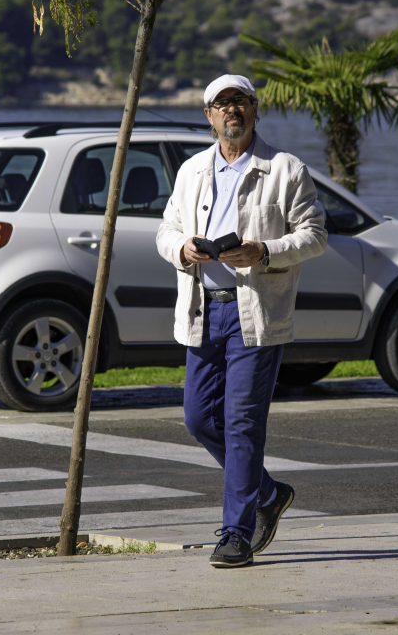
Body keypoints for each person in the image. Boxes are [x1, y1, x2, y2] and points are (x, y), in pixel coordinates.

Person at [156, 74, 328, 568]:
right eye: (221, 104)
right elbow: (166, 230)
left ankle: (236, 532)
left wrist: (265, 251)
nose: (231, 111)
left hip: (255, 310)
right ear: (208, 116)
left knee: (242, 421)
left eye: (240, 102)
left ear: (255, 110)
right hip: (202, 309)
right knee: (198, 418)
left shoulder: (285, 169)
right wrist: (183, 249)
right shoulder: (191, 170)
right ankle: (269, 495)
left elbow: (314, 235)